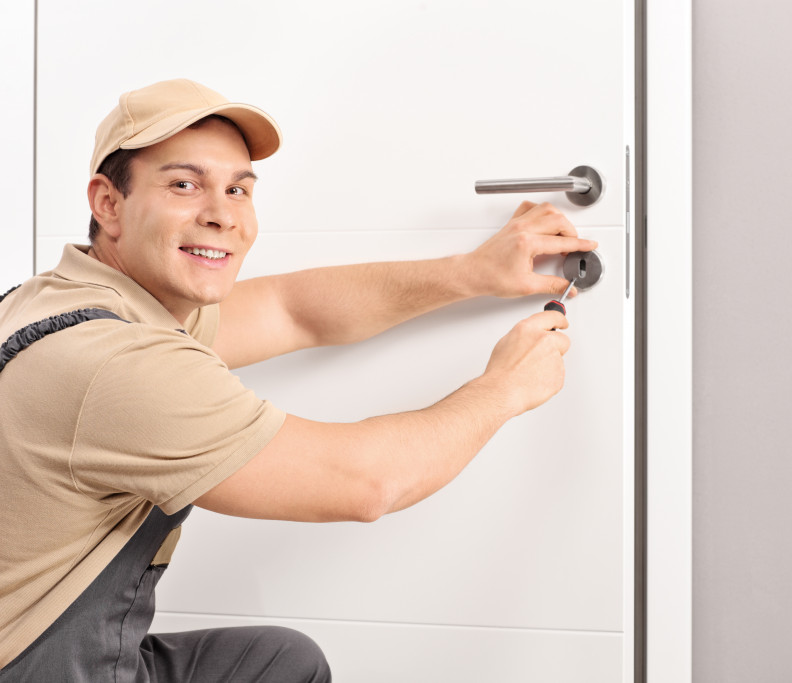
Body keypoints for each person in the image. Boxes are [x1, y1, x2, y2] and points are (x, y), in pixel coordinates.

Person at [0, 79, 596, 682]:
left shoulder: (69, 303)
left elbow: (293, 309)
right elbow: (367, 483)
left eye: (237, 189)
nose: (220, 215)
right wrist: (504, 388)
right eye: (184, 185)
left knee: (279, 662)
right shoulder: (114, 364)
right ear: (107, 203)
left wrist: (470, 273)